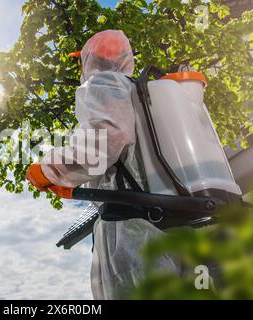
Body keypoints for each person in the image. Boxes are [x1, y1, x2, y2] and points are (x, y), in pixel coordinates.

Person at [26, 30, 179, 300]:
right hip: (171, 215)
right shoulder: (142, 92)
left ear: (92, 60)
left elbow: (106, 140)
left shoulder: (103, 84)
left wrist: (49, 171)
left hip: (132, 223)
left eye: (82, 61)